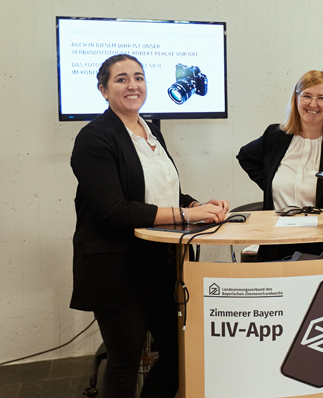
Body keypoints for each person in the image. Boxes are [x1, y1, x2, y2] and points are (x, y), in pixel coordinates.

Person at [70, 54, 229, 398]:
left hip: (160, 262)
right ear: (103, 90)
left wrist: (195, 205)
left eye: (139, 77)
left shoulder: (151, 131)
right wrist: (187, 216)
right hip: (117, 266)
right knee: (125, 363)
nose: (133, 85)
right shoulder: (94, 137)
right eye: (121, 79)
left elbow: (162, 192)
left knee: (177, 353)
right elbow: (114, 209)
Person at [237, 70, 323, 261]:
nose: (313, 104)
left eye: (321, 98)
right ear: (296, 99)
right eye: (307, 96)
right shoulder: (274, 136)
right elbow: (245, 156)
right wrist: (270, 183)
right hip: (277, 245)